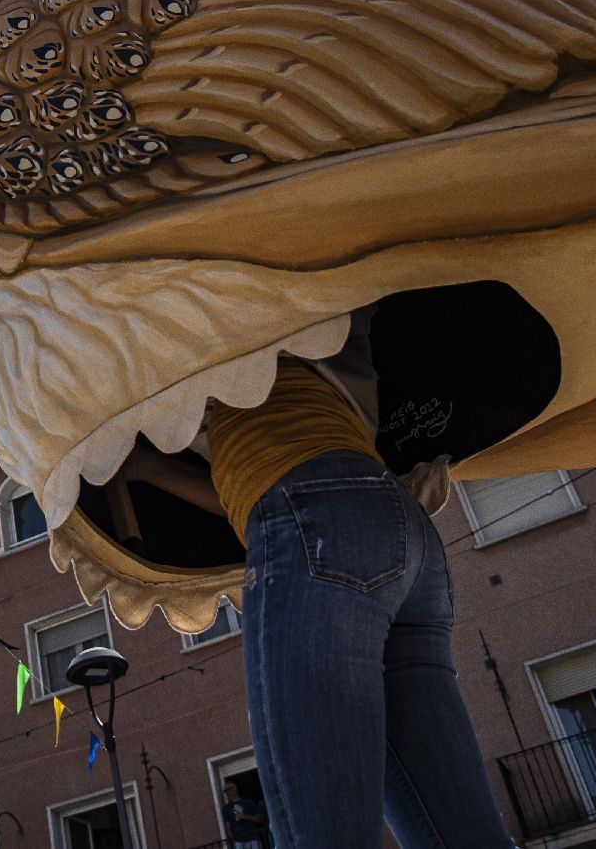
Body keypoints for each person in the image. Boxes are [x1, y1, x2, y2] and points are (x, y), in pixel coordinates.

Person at [117, 323, 517, 849]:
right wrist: (145, 467)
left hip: (318, 524)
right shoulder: (308, 348)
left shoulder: (193, 338)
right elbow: (248, 489)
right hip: (399, 523)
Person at [222, 780, 273, 847]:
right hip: (239, 842)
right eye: (225, 791)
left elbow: (260, 818)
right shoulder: (226, 808)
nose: (227, 792)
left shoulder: (248, 802)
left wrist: (244, 816)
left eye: (228, 789)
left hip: (253, 839)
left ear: (235, 788)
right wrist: (234, 842)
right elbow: (228, 827)